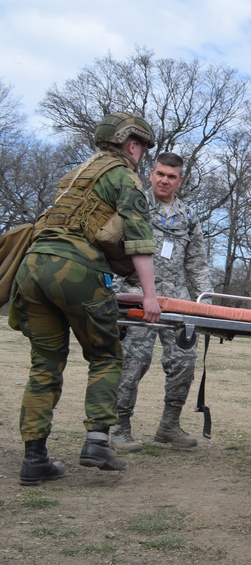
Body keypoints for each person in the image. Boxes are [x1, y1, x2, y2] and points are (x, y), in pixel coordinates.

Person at [12, 112, 161, 486]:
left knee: (44, 364)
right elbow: (140, 242)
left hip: (32, 266)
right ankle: (97, 441)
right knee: (106, 355)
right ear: (132, 145)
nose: (141, 154)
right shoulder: (125, 176)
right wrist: (150, 296)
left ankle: (35, 458)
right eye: (141, 147)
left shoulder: (75, 176)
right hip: (75, 269)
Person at [112, 152, 213, 451]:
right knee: (133, 362)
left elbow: (197, 263)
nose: (165, 181)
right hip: (137, 297)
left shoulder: (189, 216)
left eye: (171, 176)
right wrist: (115, 294)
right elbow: (116, 251)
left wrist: (206, 303)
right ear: (151, 174)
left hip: (176, 301)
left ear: (180, 180)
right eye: (160, 174)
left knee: (184, 361)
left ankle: (169, 425)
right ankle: (119, 427)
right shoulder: (135, 206)